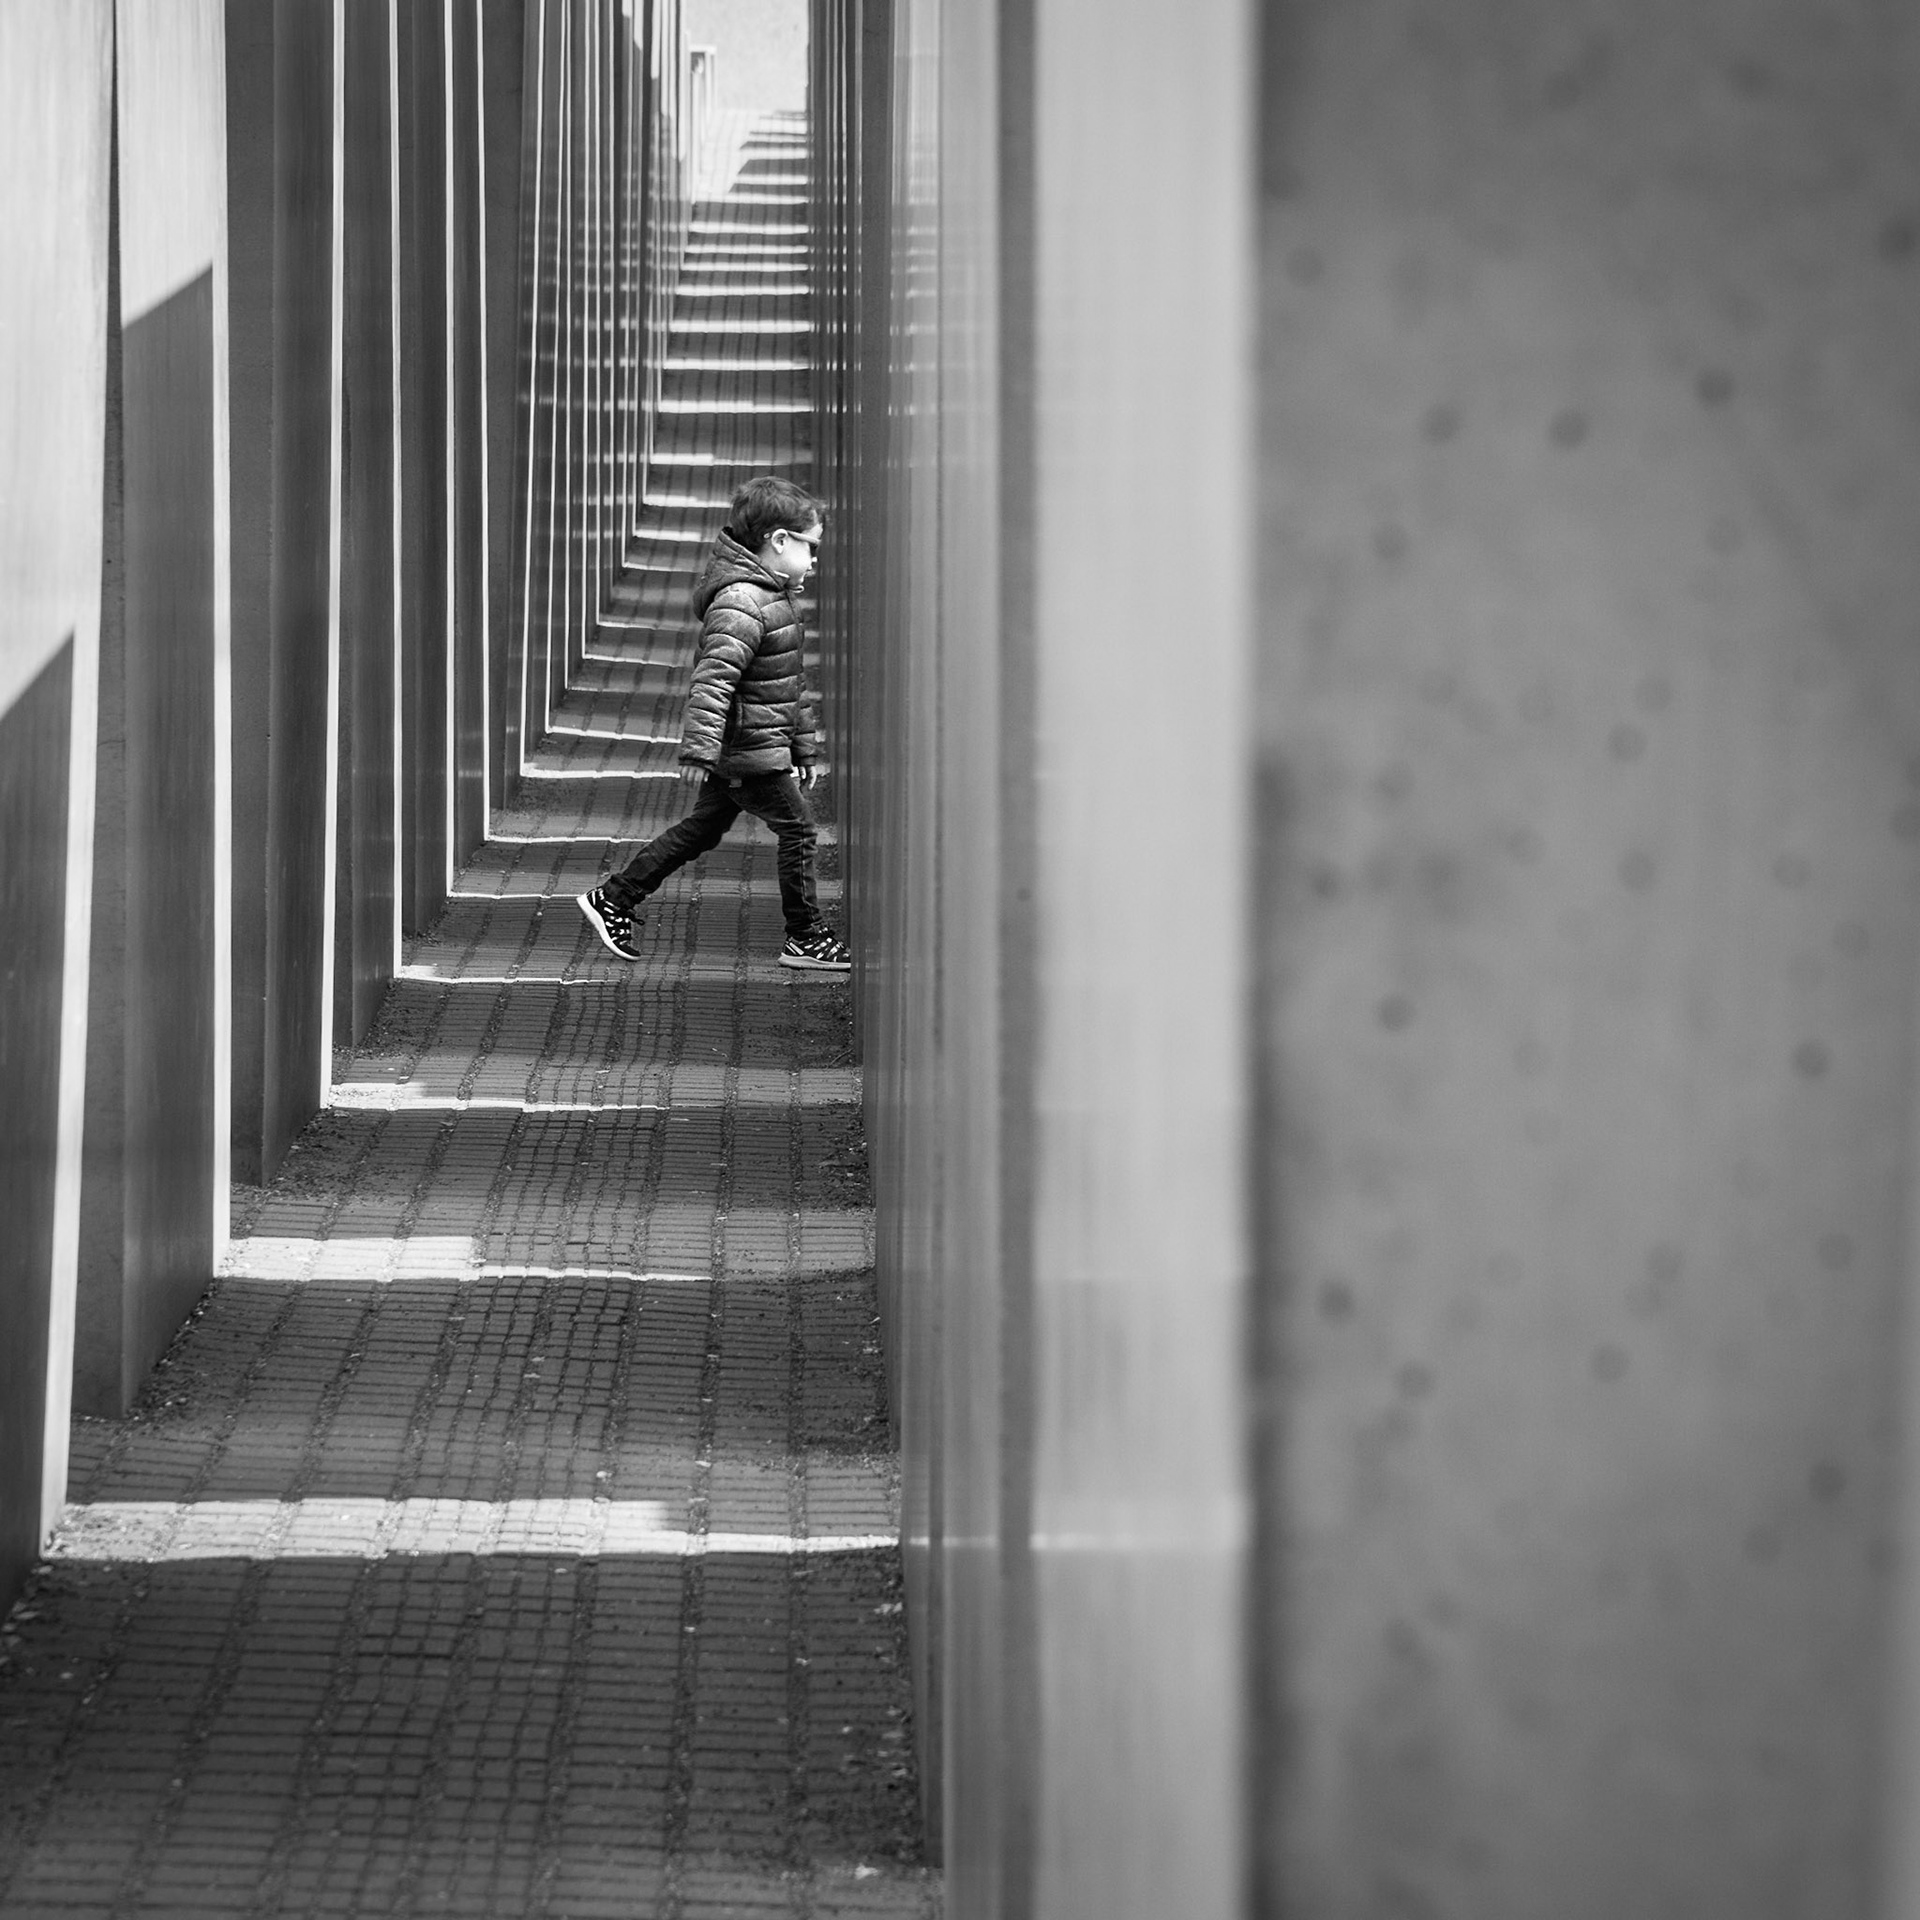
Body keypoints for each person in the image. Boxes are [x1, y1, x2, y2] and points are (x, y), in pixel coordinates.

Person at [576, 475, 852, 972]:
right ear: (779, 540)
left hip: (755, 744)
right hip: (746, 748)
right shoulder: (743, 602)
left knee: (702, 830)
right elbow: (713, 682)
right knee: (799, 829)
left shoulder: (772, 597)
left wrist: (803, 746)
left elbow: (786, 683)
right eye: (810, 548)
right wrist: (699, 752)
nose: (814, 560)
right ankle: (805, 935)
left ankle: (615, 896)